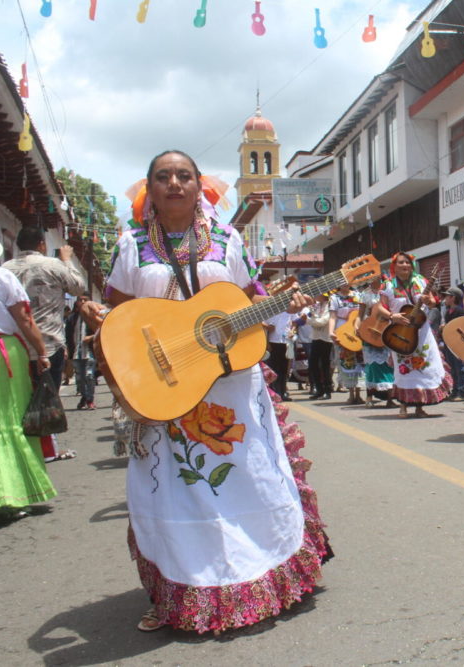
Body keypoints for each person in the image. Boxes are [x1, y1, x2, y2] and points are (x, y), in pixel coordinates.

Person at [97, 150, 329, 633]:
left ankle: (264, 578)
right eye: (164, 176)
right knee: (175, 494)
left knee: (247, 480)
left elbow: (244, 302)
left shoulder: (227, 240)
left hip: (231, 390)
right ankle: (176, 592)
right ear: (150, 189)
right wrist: (127, 374)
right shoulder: (131, 245)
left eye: (185, 176)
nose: (175, 184)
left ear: (200, 186)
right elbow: (115, 315)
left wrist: (286, 302)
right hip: (164, 392)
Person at [0, 219, 57, 519]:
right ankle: (6, 496)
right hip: (0, 353)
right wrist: (41, 352)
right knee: (1, 419)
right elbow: (25, 319)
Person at [3, 226, 85, 462]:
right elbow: (78, 287)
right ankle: (46, 449)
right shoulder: (53, 265)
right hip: (48, 343)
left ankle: (26, 446)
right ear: (41, 244)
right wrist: (67, 260)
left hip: (15, 345)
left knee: (20, 397)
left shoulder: (5, 269)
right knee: (48, 397)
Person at [376, 252, 452, 418]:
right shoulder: (387, 285)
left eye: (408, 263)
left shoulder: (421, 281)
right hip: (400, 331)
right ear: (394, 266)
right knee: (404, 369)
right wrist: (392, 316)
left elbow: (433, 302)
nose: (405, 266)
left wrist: (428, 301)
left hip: (421, 331)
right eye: (401, 263)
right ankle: (403, 406)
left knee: (423, 367)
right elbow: (379, 307)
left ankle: (420, 406)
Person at [358, 276, 395, 406]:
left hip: (386, 327)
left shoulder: (389, 289)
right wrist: (357, 327)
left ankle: (390, 399)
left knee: (389, 364)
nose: (372, 278)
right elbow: (360, 315)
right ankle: (369, 398)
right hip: (369, 328)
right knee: (371, 365)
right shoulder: (364, 294)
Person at [328, 283, 364, 405]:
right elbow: (332, 316)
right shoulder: (334, 298)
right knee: (347, 361)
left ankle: (359, 393)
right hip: (342, 329)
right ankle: (351, 393)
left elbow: (363, 312)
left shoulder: (358, 294)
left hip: (357, 328)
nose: (345, 284)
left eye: (347, 281)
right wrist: (331, 331)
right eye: (342, 282)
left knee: (360, 361)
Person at [65, 293, 98, 409]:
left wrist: (92, 337)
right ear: (77, 302)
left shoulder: (94, 317)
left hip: (89, 352)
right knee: (79, 378)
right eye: (80, 300)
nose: (83, 302)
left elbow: (102, 330)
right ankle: (84, 397)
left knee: (89, 376)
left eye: (85, 300)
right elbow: (68, 336)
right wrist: (67, 351)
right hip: (76, 353)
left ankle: (90, 400)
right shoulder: (71, 318)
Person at [438, 286, 464, 401]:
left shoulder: (460, 311)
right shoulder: (448, 311)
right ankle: (454, 391)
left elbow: (460, 327)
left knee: (460, 368)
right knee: (453, 368)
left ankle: (461, 392)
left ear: (453, 298)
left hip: (457, 342)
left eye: (447, 296)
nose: (445, 298)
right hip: (448, 342)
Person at [264, 309, 294, 400]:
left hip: (285, 341)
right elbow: (264, 324)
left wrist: (293, 330)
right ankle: (273, 392)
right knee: (273, 368)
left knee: (284, 368)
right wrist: (267, 343)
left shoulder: (289, 310)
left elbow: (294, 322)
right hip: (273, 341)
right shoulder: (271, 310)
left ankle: (282, 391)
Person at [307, 293, 332, 400]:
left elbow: (322, 321)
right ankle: (319, 389)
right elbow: (312, 317)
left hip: (326, 338)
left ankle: (327, 390)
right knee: (313, 363)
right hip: (316, 337)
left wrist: (307, 320)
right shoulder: (317, 305)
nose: (316, 295)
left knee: (325, 365)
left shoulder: (329, 305)